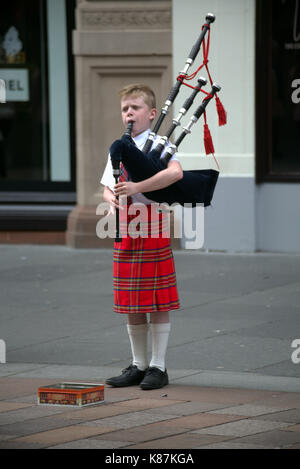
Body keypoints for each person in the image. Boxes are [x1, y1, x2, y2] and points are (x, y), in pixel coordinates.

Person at [100, 83, 182, 390]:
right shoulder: (120, 147)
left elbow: (175, 175)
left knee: (158, 301)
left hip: (152, 225)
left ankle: (158, 367)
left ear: (151, 113)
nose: (129, 113)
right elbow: (108, 186)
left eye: (135, 108)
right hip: (125, 227)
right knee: (132, 301)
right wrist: (112, 199)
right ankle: (138, 365)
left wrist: (136, 188)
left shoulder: (161, 144)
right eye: (125, 109)